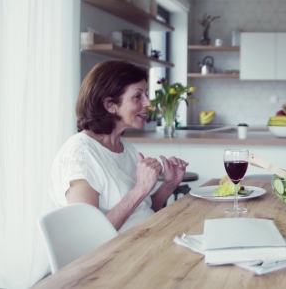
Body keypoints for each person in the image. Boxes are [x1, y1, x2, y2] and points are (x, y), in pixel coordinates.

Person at [51, 60, 188, 232]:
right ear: (110, 105)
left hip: (144, 240)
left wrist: (169, 184)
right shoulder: (80, 154)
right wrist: (140, 189)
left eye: (146, 94)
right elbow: (88, 235)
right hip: (116, 255)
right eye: (138, 96)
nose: (147, 103)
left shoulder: (125, 148)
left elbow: (141, 211)